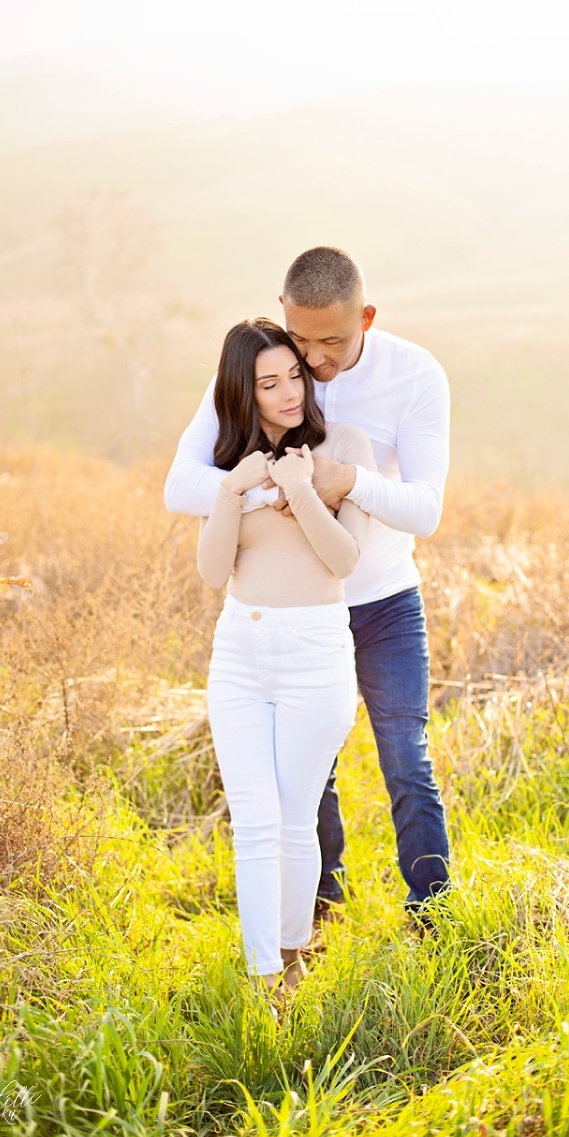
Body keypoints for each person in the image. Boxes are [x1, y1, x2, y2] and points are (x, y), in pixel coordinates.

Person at [166, 247, 451, 926]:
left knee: (405, 757)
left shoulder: (414, 375)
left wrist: (346, 482)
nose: (313, 364)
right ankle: (319, 908)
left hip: (383, 601)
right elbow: (183, 483)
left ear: (367, 319)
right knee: (308, 775)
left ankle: (433, 913)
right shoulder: (268, 368)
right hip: (296, 614)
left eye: (332, 342)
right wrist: (269, 492)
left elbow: (426, 509)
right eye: (301, 341)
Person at [194, 316, 376, 996]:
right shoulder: (230, 464)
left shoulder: (341, 446)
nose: (286, 394)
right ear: (245, 392)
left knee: (298, 817)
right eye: (267, 384)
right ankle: (262, 976)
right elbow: (214, 573)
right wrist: (229, 491)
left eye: (292, 376)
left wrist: (301, 489)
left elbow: (345, 560)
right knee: (255, 823)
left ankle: (293, 956)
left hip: (315, 651)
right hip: (240, 649)